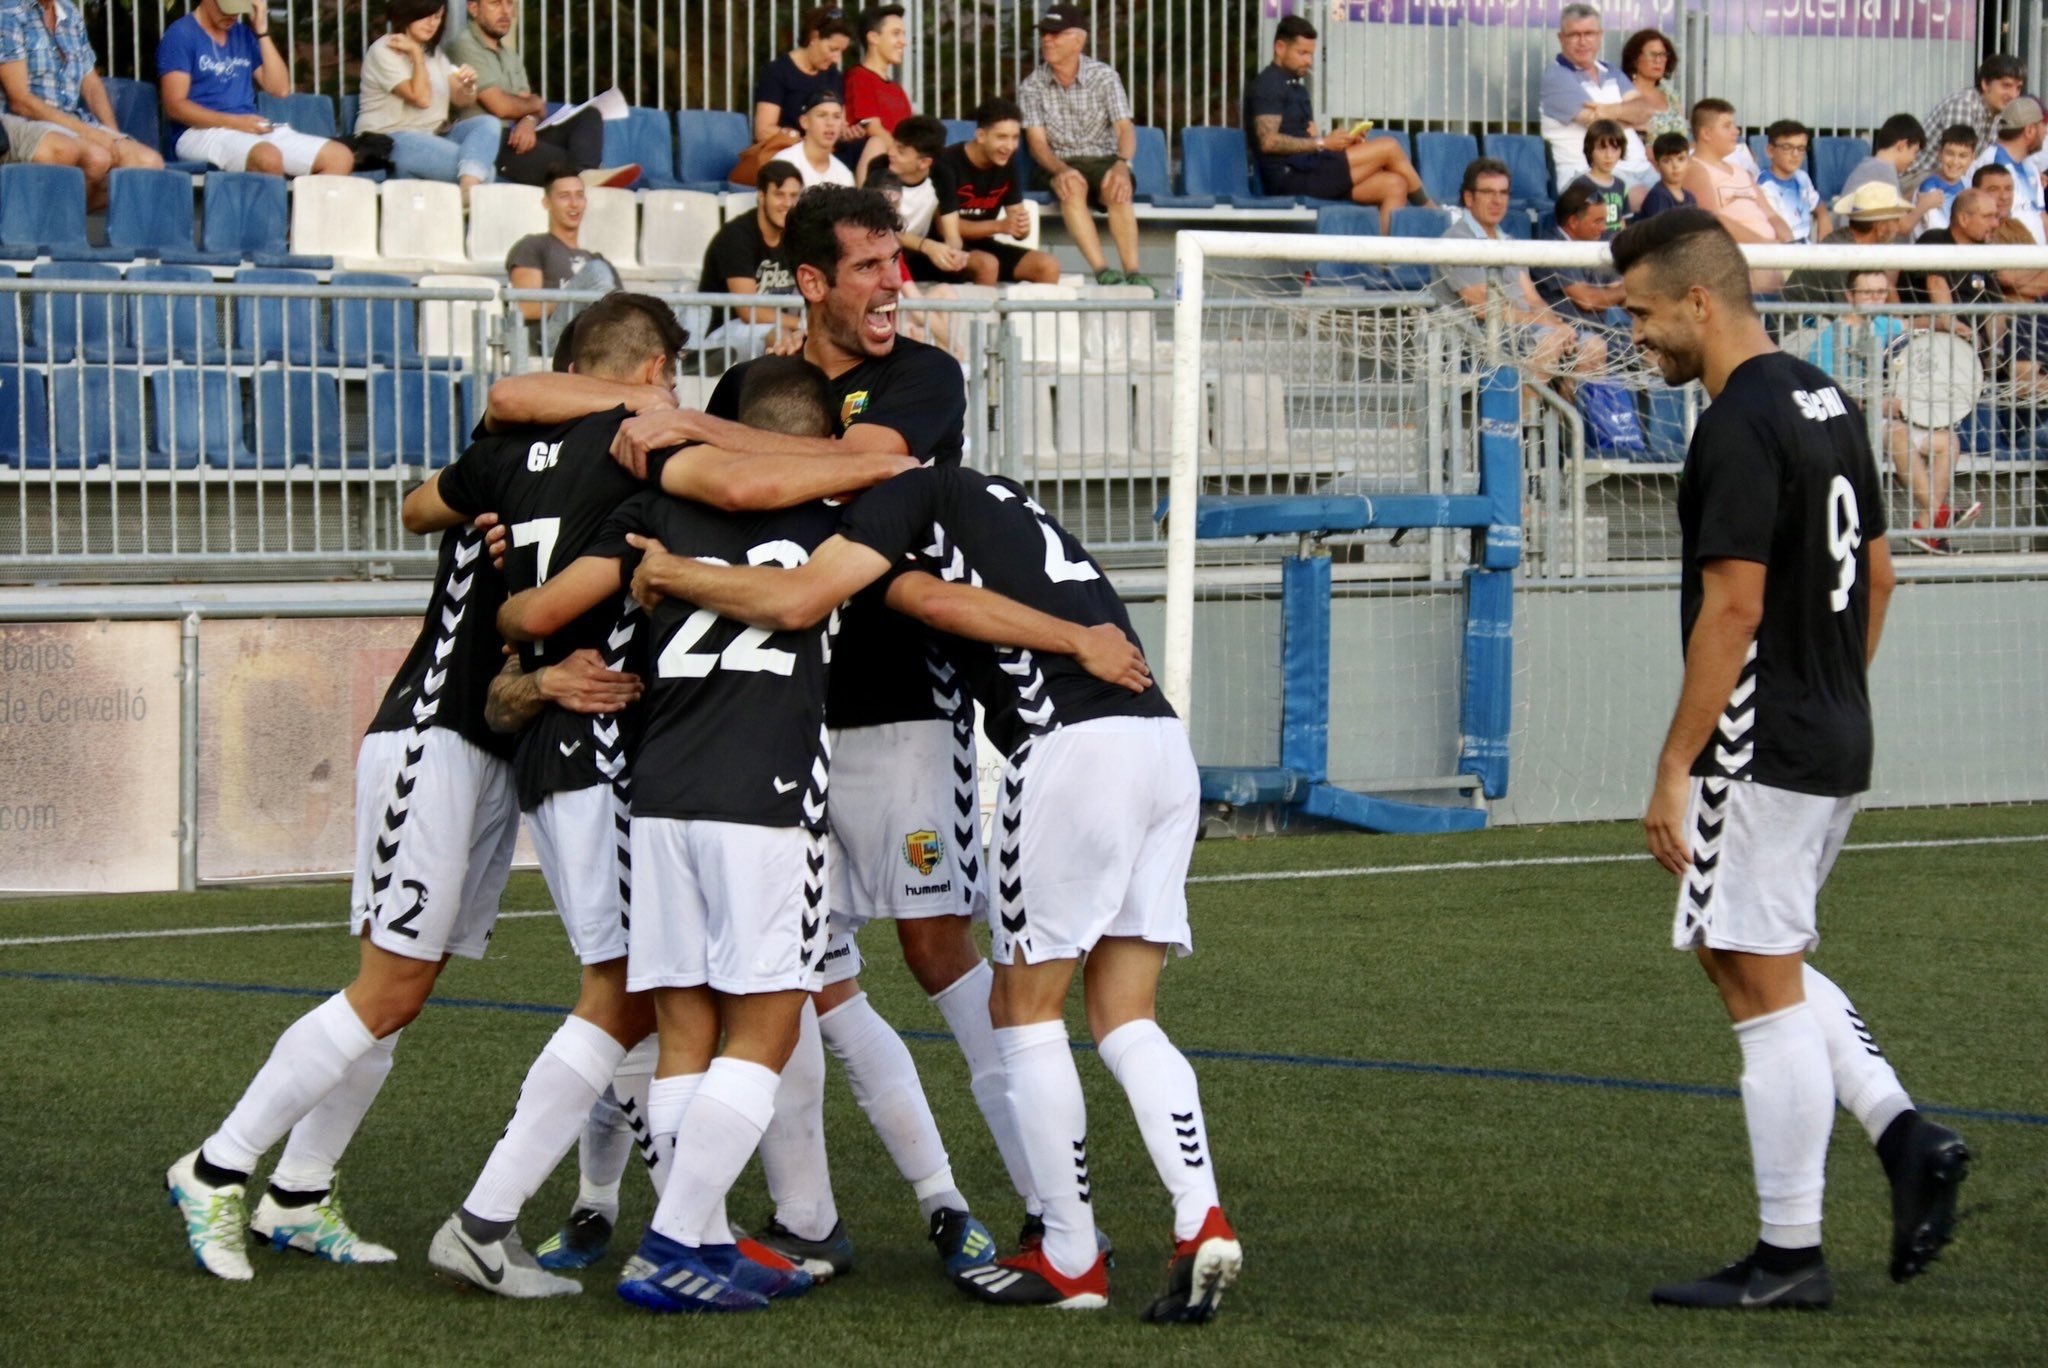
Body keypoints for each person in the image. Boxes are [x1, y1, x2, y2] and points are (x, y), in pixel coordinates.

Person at [490, 187, 1049, 1279]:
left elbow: (846, 467)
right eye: (872, 267)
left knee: (934, 949)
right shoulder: (756, 385)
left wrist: (688, 428)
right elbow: (536, 399)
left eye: (899, 262)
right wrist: (641, 416)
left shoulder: (921, 375)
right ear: (809, 283)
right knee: (791, 987)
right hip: (766, 732)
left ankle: (1044, 1202)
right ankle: (804, 1218)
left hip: (890, 717)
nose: (896, 283)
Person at [616, 461, 1236, 1320]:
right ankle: (1200, 1214)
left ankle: (1067, 1254)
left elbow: (915, 603)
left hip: (1066, 747)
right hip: (1160, 745)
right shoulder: (1006, 506)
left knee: (1023, 1010)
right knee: (1127, 1015)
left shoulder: (904, 498)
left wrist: (674, 572)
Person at [1616, 207, 1971, 1311]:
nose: (1639, 338)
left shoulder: (1732, 423)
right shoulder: (1829, 398)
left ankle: (1787, 1256)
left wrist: (1675, 764)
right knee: (1744, 956)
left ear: (1698, 301)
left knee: (1756, 985)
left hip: (1757, 742)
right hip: (1829, 729)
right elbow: (1876, 579)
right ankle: (1901, 1133)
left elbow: (1731, 607)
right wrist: (1832, 694)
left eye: (1642, 315)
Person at [164, 435, 524, 1283]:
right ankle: (216, 1168)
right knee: (386, 987)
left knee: (403, 992)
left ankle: (297, 1192)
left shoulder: (572, 467)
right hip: (432, 745)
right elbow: (419, 501)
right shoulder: (517, 455)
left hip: (490, 755)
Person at [1802, 271, 1974, 555]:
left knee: (1948, 441)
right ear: (1849, 297)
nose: (1876, 299)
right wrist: (1877, 403)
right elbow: (1828, 397)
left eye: (1881, 293)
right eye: (1868, 293)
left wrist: (1945, 325)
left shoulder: (1883, 324)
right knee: (1896, 432)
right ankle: (1937, 515)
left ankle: (1926, 525)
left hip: (1888, 419)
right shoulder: (1830, 340)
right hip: (1847, 424)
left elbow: (1909, 324)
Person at [1243, 13, 1427, 232]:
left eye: (1311, 54)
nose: (1308, 62)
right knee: (1389, 146)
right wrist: (1323, 143)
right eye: (1302, 53)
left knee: (1395, 185)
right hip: (1289, 178)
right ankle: (1433, 212)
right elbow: (1268, 142)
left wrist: (1342, 142)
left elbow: (1311, 138)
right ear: (1280, 47)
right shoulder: (1268, 85)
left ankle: (1382, 264)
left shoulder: (1298, 89)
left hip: (1312, 169)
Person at [1434, 159, 1606, 390]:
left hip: (1523, 331)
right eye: (1488, 192)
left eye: (1503, 193)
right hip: (1477, 339)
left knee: (1593, 345)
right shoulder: (1455, 243)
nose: (1497, 200)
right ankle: (1524, 423)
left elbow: (1532, 298)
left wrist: (1557, 324)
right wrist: (1548, 326)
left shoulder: (1509, 243)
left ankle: (1570, 422)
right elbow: (1484, 307)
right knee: (1548, 341)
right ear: (1469, 198)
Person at [1019, 5, 1151, 290]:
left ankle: (1133, 272)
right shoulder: (1032, 85)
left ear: (1078, 40)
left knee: (1117, 187)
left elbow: (1125, 129)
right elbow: (1037, 143)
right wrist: (1061, 169)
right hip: (1057, 161)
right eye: (1045, 34)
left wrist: (1121, 164)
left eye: (1056, 34)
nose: (1047, 40)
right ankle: (1103, 271)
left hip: (1103, 158)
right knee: (1072, 187)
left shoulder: (1104, 76)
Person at [445, 0, 633, 189]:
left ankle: (585, 174)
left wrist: (528, 119)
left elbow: (533, 105)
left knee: (589, 115)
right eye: (495, 3)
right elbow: (501, 106)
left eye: (510, 4)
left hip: (517, 136)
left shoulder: (510, 56)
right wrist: (531, 106)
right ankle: (585, 177)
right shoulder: (463, 45)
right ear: (473, 8)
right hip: (490, 142)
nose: (505, 12)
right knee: (565, 158)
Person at [157, 0, 353, 177]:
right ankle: (273, 216)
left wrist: (262, 32)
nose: (232, 15)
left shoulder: (242, 33)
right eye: (227, 8)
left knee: (339, 157)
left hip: (248, 127)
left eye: (238, 9)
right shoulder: (181, 34)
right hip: (197, 132)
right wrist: (234, 123)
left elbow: (280, 89)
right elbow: (175, 106)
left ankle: (301, 216)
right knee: (268, 158)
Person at [0, 0, 160, 209]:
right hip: (23, 121)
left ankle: (57, 223)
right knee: (95, 157)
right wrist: (93, 135)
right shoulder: (9, 12)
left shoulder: (69, 13)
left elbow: (92, 85)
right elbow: (20, 101)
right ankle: (48, 223)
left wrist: (112, 136)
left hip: (71, 120)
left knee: (148, 164)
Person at [355, 0, 499, 195]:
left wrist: (469, 85)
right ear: (407, 13)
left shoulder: (435, 54)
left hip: (433, 135)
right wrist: (415, 55)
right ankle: (469, 188)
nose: (432, 23)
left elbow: (462, 100)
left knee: (487, 123)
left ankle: (468, 187)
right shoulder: (384, 50)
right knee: (487, 172)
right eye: (426, 15)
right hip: (391, 139)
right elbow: (421, 99)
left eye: (438, 17)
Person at [936, 97, 1061, 285]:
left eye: (1015, 137)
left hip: (984, 246)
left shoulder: (1007, 164)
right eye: (1002, 137)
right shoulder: (947, 163)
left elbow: (1016, 224)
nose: (1010, 146)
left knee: (1047, 266)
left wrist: (1021, 227)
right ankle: (979, 316)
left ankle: (1020, 316)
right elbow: (943, 227)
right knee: (987, 265)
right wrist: (1000, 226)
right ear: (981, 136)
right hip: (940, 249)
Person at [697, 161, 805, 360]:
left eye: (793, 196)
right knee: (780, 337)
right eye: (779, 195)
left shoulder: (796, 237)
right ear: (761, 196)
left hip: (782, 326)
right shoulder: (736, 236)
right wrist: (801, 324)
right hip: (726, 334)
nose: (788, 204)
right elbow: (747, 310)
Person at [1539, 4, 1650, 193]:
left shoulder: (1611, 71)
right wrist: (1629, 116)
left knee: (1686, 203)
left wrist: (1606, 110)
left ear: (1600, 35)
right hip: (1588, 175)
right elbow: (1598, 127)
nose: (1582, 42)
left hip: (1641, 168)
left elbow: (1645, 112)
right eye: (1574, 35)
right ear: (1561, 38)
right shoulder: (1556, 77)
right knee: (1649, 203)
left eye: (1589, 33)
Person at [506, 165, 616, 326]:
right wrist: (580, 299)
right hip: (552, 340)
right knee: (596, 270)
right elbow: (526, 307)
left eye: (579, 196)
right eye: (564, 196)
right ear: (547, 203)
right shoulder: (532, 246)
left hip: (594, 337)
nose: (574, 204)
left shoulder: (597, 259)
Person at [1905, 52, 2027, 187]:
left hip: (1948, 178)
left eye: (2018, 88)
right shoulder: (1964, 105)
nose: (2013, 95)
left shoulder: (1998, 114)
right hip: (1917, 178)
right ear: (1985, 84)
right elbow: (1956, 161)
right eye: (2006, 86)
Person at [1781, 182, 1911, 305]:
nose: (1897, 228)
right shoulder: (1839, 256)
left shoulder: (1858, 247)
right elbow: (1848, 319)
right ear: (1881, 227)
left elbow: (1888, 291)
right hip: (1801, 326)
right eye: (1896, 221)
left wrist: (1902, 325)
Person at [1537, 181, 1628, 333]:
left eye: (1604, 221)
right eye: (1597, 221)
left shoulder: (1598, 241)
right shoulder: (1551, 248)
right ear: (1573, 222)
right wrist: (1628, 289)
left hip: (1603, 332)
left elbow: (1617, 287)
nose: (1604, 228)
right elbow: (1587, 300)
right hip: (1572, 337)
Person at [754, 5, 851, 144]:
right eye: (833, 49)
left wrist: (845, 132)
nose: (837, 58)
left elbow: (840, 123)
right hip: (787, 154)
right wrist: (802, 141)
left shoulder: (833, 75)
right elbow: (763, 131)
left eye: (842, 51)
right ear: (814, 36)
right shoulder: (777, 72)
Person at [844, 4, 910, 181]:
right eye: (896, 34)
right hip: (876, 161)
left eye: (903, 34)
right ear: (873, 37)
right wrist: (905, 157)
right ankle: (866, 204)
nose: (903, 41)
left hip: (898, 162)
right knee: (877, 142)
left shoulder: (897, 89)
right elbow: (873, 128)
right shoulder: (860, 77)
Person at [1968, 95, 2045, 243]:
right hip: (2007, 259)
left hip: (2036, 260)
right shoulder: (1992, 163)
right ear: (2030, 130)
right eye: (2042, 125)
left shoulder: (2030, 166)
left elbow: (2040, 216)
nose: (2045, 132)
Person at [768, 88, 857, 191]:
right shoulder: (785, 162)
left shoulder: (844, 175)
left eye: (836, 117)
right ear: (804, 122)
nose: (830, 123)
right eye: (822, 115)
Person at [1757, 121, 1826, 245]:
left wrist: (1823, 217)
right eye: (1787, 147)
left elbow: (1818, 205)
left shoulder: (1802, 177)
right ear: (1770, 151)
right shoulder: (1763, 186)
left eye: (1801, 148)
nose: (1795, 154)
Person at [1912, 124, 1978, 237]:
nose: (1955, 161)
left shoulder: (1970, 186)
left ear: (1972, 158)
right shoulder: (1929, 187)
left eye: (1962, 156)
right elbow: (1937, 229)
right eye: (1950, 153)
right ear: (1940, 154)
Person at [1622, 27, 1686, 144]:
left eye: (1663, 55)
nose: (1658, 60)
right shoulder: (1624, 92)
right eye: (1652, 54)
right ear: (1635, 59)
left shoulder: (1670, 95)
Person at [1570, 119, 1632, 230]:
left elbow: (1622, 221)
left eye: (1615, 148)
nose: (1609, 155)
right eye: (1602, 148)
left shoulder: (1621, 185)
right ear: (1590, 150)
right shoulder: (1580, 185)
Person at [1637, 132, 1696, 220]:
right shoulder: (1658, 197)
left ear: (1688, 162)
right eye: (1667, 161)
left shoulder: (1690, 198)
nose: (1675, 166)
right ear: (1657, 166)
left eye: (1681, 159)